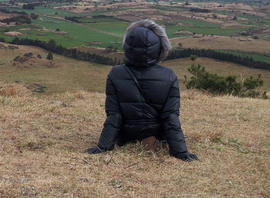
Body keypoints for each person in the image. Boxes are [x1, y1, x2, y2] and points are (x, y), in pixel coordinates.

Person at [85, 19, 198, 161]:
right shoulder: (169, 76)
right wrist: (180, 152)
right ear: (159, 47)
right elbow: (170, 116)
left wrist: (104, 146)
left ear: (127, 46)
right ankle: (151, 141)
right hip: (158, 134)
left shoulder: (115, 74)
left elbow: (114, 115)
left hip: (125, 136)